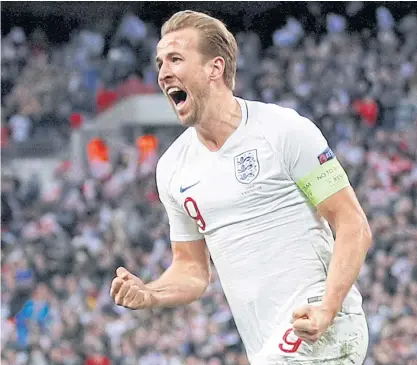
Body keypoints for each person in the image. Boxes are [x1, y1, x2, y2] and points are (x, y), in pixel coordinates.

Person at [110, 10, 373, 365]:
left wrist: (327, 308)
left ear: (214, 68)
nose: (162, 73)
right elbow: (192, 270)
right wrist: (150, 293)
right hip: (266, 347)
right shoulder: (173, 168)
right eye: (160, 63)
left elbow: (353, 224)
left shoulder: (283, 131)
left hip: (322, 329)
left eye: (175, 59)